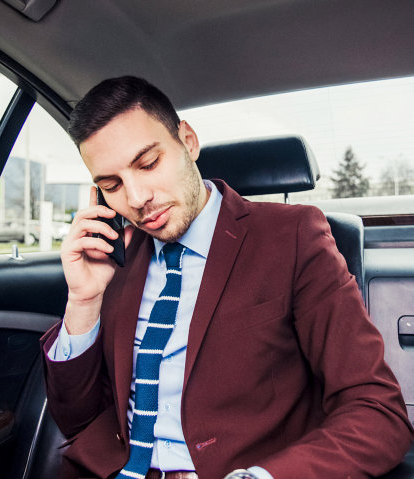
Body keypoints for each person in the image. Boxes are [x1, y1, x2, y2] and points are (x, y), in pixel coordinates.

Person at [41, 76, 413, 479]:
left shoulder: (292, 236)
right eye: (111, 185)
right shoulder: (112, 263)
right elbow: (76, 421)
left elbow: (377, 411)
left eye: (148, 164)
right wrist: (83, 302)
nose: (136, 198)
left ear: (188, 141)